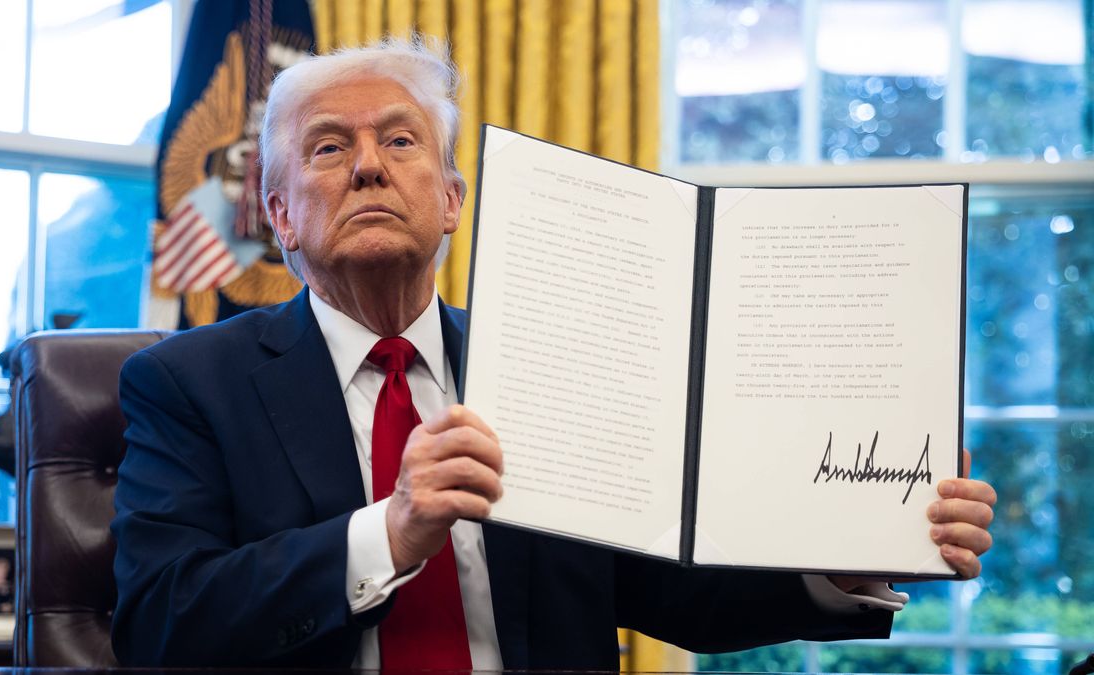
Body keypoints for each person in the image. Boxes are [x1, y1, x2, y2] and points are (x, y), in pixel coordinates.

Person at [111, 38, 997, 668]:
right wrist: (391, 528)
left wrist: (846, 556)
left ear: (452, 201)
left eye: (400, 139)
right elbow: (158, 622)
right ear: (279, 215)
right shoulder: (186, 384)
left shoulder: (559, 362)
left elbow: (671, 594)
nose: (370, 167)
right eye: (329, 147)